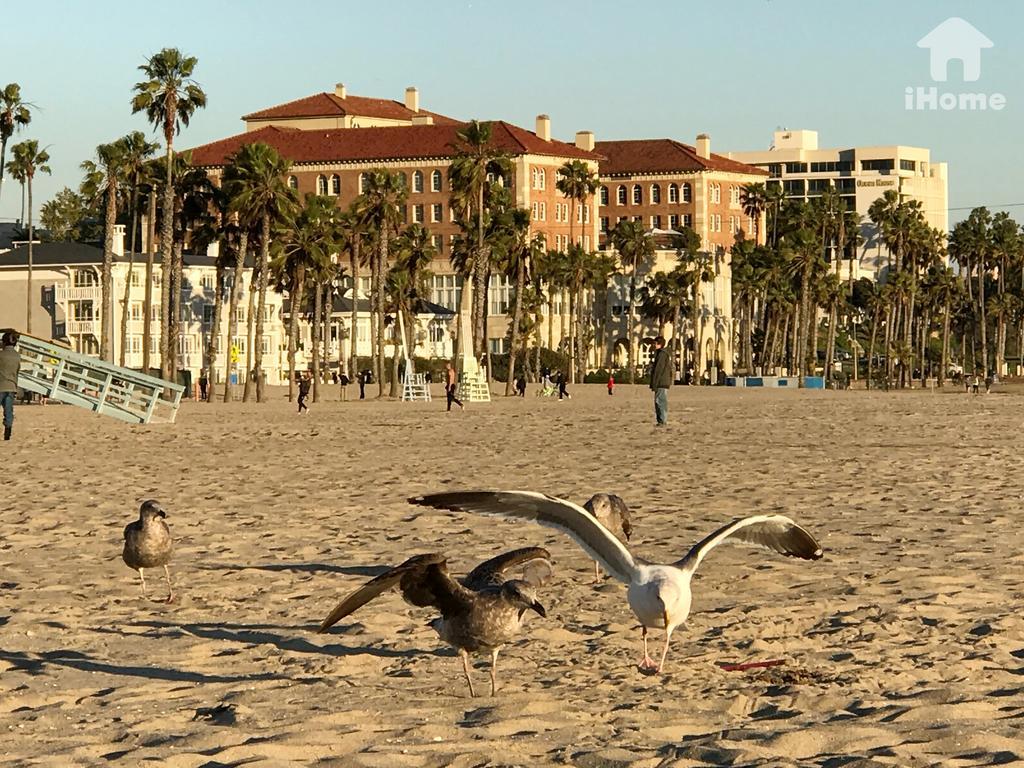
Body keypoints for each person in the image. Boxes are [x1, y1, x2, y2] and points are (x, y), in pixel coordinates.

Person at [0, 331, 20, 441]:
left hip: (1, 385)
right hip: (11, 386)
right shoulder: (17, 356)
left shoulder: (1, 355)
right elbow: (17, 371)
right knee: (8, 411)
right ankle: (7, 432)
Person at [649, 335, 673, 427]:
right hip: (662, 381)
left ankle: (662, 420)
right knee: (659, 401)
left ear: (659, 344)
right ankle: (661, 420)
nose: (654, 345)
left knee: (660, 401)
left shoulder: (662, 354)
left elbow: (658, 370)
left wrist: (654, 383)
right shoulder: (662, 353)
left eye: (655, 343)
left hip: (662, 382)